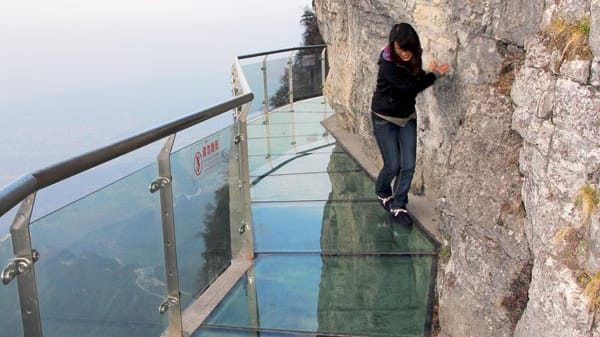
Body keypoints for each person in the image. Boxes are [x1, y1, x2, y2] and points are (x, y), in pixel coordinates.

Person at [371, 23, 450, 224]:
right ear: (393, 47)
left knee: (408, 165)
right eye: (400, 49)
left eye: (409, 49)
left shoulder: (414, 56)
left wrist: (425, 74)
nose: (405, 54)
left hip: (407, 117)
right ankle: (382, 190)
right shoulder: (387, 66)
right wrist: (434, 75)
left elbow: (413, 78)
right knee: (393, 165)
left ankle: (398, 205)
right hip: (384, 118)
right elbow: (409, 86)